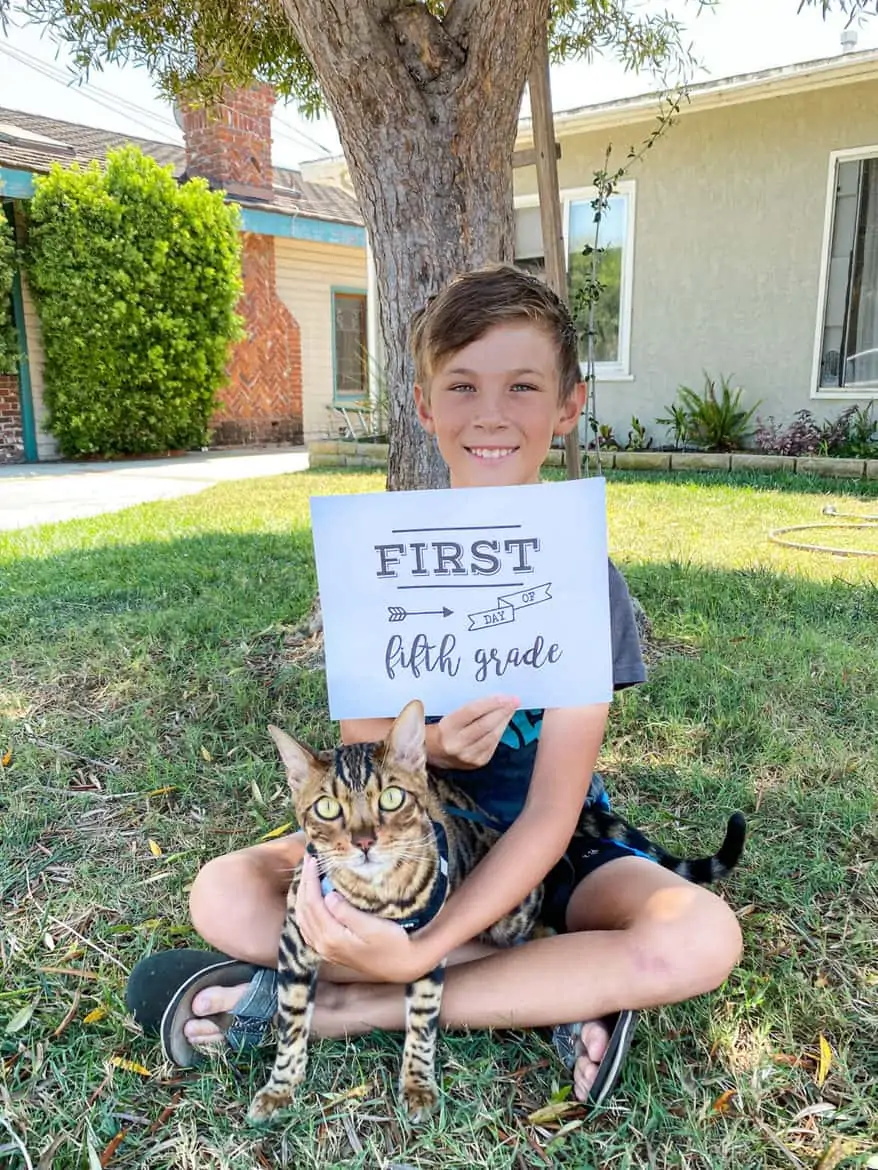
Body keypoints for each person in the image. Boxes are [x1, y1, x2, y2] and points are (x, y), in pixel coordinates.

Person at [127, 265, 742, 1107]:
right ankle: (547, 991)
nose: (491, 414)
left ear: (569, 404)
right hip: (406, 838)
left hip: (550, 848)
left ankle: (351, 1006)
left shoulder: (583, 580)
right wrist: (435, 753)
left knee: (701, 939)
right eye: (463, 386)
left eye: (523, 386)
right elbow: (362, 759)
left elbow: (554, 811)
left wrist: (417, 953)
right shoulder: (374, 564)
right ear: (424, 405)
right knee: (223, 894)